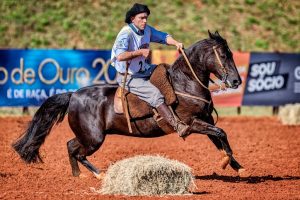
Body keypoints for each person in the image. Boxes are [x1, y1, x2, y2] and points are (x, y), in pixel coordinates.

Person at [111, 3, 189, 137]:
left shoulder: (147, 29)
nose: (145, 21)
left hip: (144, 70)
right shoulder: (126, 34)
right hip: (129, 76)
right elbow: (120, 56)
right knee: (155, 94)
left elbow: (163, 37)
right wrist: (139, 52)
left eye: (146, 18)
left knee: (167, 71)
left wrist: (176, 43)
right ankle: (177, 125)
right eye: (141, 18)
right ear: (132, 19)